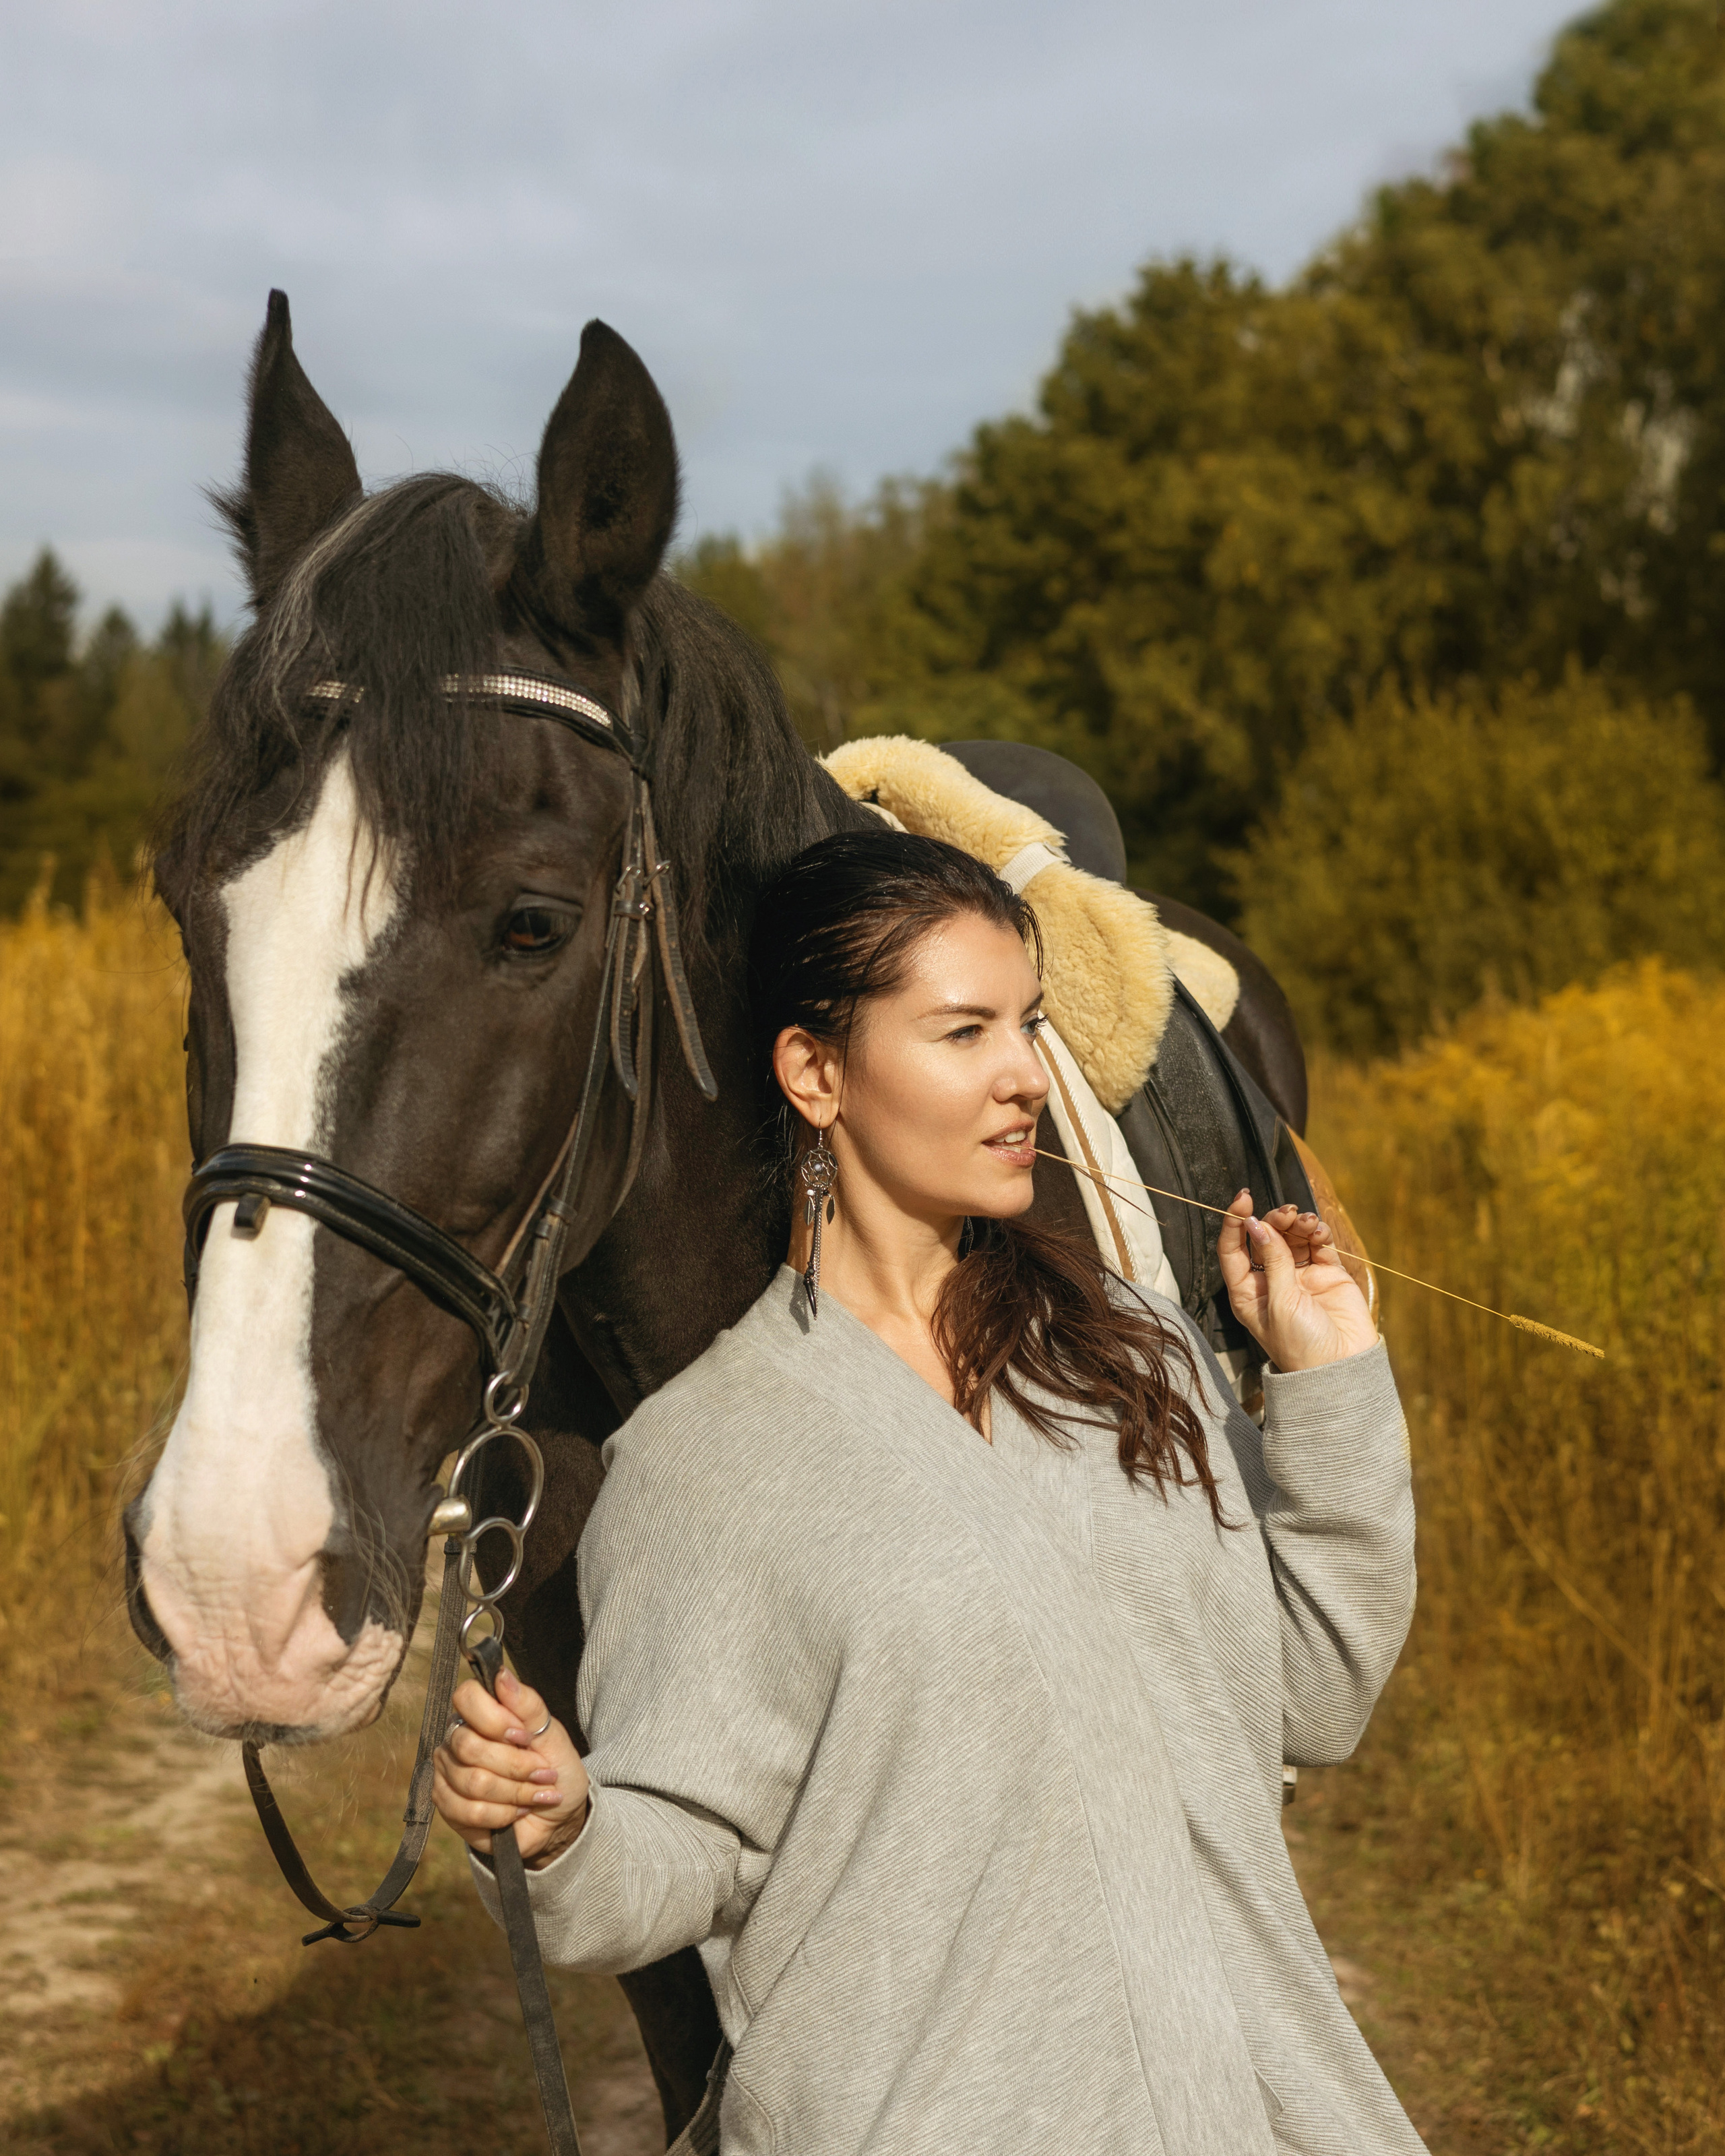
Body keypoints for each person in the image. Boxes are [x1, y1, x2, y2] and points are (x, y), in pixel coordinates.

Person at [433, 830, 1422, 2156]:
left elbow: (1314, 1689)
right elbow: (683, 1853)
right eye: (962, 1033)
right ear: (816, 1071)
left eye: (1023, 1024)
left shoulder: (1131, 1353)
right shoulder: (697, 1459)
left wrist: (1328, 1382)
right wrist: (562, 1824)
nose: (1023, 1077)